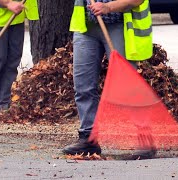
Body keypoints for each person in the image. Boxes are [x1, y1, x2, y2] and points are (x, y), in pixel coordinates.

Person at [62, 0, 154, 158]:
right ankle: (88, 139)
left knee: (128, 86)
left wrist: (108, 7)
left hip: (119, 26)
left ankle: (145, 138)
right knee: (83, 86)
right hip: (87, 27)